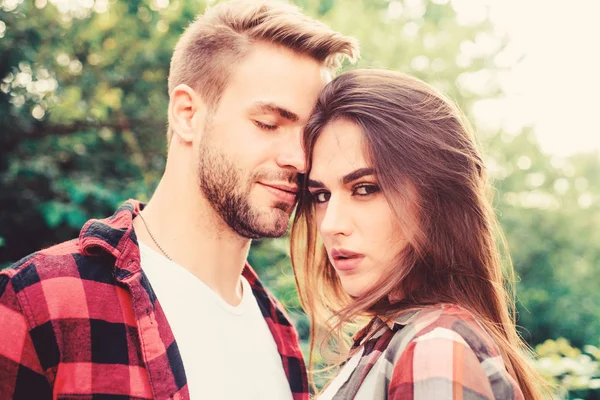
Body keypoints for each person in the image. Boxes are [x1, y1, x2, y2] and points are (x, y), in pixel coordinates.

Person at [0, 1, 358, 399]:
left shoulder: (281, 336)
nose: (301, 159)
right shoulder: (40, 302)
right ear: (187, 114)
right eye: (268, 124)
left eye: (309, 136)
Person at [290, 69, 546, 399]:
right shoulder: (398, 338)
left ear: (435, 199)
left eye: (365, 189)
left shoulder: (434, 348)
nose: (329, 224)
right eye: (321, 195)